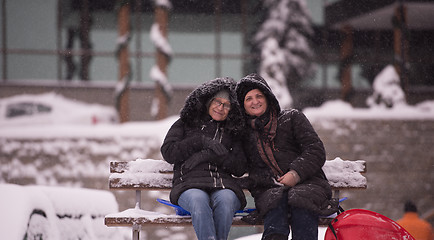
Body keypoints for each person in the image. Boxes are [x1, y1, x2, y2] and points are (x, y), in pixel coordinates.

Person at [235, 73, 338, 240]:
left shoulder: (292, 118)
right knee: (274, 204)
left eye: (259, 96)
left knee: (300, 200)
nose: (255, 101)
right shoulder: (244, 134)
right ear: (243, 105)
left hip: (308, 183)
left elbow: (315, 150)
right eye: (248, 99)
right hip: (269, 188)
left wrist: (295, 173)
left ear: (268, 98)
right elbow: (238, 166)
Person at [160, 77, 248, 240]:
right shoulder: (186, 123)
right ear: (209, 101)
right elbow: (168, 152)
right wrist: (199, 142)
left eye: (226, 105)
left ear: (232, 109)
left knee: (227, 201)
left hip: (223, 186)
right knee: (198, 200)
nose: (220, 108)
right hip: (189, 185)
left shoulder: (233, 131)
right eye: (217, 102)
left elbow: (240, 167)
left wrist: (211, 155)